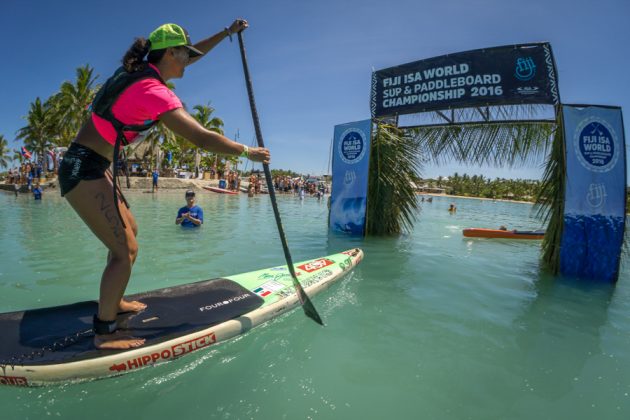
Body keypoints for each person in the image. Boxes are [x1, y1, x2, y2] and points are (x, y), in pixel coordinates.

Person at [56, 20, 270, 350]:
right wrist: (247, 151)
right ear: (170, 53)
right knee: (123, 253)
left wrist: (226, 34)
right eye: (184, 54)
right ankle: (105, 331)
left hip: (95, 165)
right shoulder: (153, 91)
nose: (189, 60)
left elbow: (192, 55)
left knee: (131, 233)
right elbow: (201, 137)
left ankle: (115, 300)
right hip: (81, 168)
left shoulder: (141, 70)